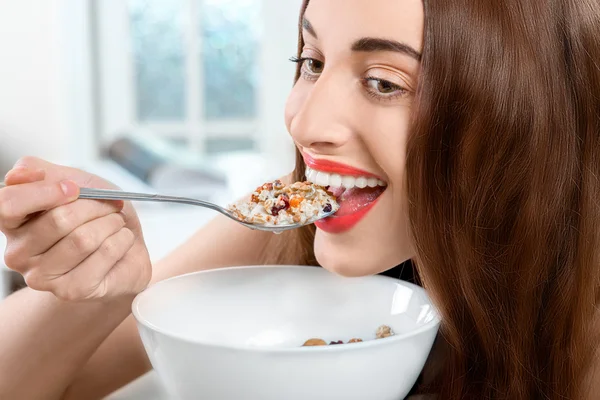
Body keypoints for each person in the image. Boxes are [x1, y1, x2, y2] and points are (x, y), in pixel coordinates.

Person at [1, 0, 599, 398]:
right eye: (311, 62)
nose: (304, 122)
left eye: (384, 82)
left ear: (527, 114)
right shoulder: (290, 223)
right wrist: (101, 284)